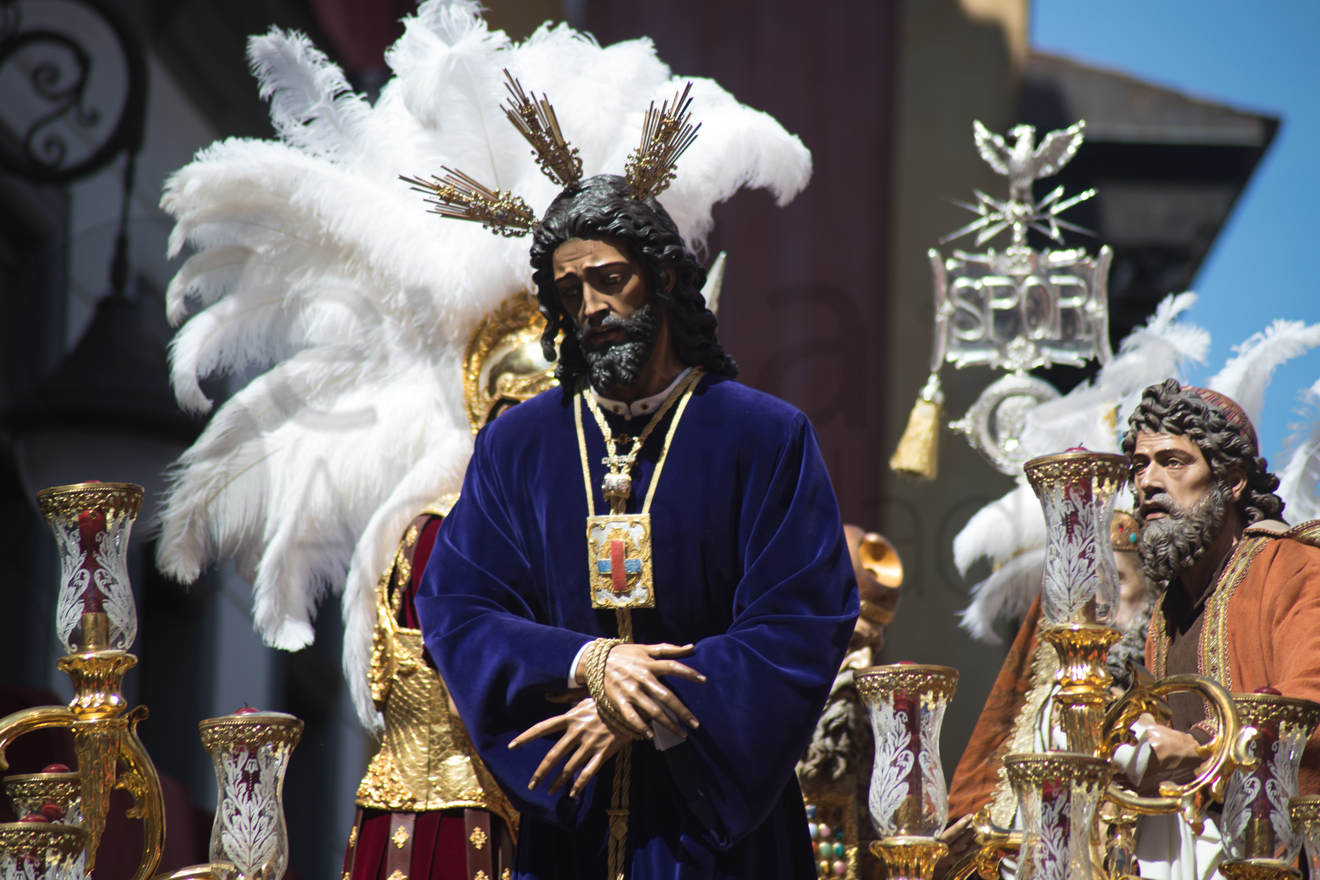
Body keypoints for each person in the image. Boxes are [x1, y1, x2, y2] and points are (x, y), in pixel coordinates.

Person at [414, 173, 858, 880]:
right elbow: (457, 609)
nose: (591, 307)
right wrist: (589, 664)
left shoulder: (765, 437)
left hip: (718, 835)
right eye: (570, 291)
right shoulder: (518, 445)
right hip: (573, 830)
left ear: (662, 276)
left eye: (609, 279)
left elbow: (801, 620)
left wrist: (648, 706)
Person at [342, 294, 556, 880]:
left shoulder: (527, 539)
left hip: (507, 816)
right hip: (445, 827)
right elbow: (481, 683)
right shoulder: (448, 534)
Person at [1119, 379, 1320, 880]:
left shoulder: (1294, 567)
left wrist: (1203, 746)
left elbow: (1310, 697)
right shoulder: (1167, 609)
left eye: (1172, 461)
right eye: (1139, 465)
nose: (1146, 482)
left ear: (1231, 481)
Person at [940, 510, 1153, 870]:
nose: (1097, 605)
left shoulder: (1160, 697)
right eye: (1086, 588)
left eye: (1117, 581)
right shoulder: (1046, 705)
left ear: (1152, 597)